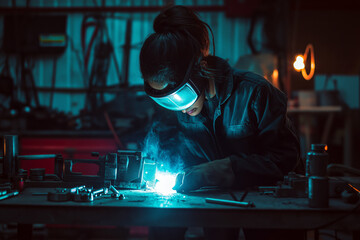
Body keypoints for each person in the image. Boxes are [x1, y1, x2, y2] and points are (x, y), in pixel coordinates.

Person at [140, 5, 302, 240]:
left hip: (270, 210)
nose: (181, 108)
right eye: (167, 101)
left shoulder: (255, 94)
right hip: (214, 207)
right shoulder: (177, 110)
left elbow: (286, 160)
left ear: (200, 69)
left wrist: (224, 169)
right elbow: (172, 153)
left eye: (181, 96)